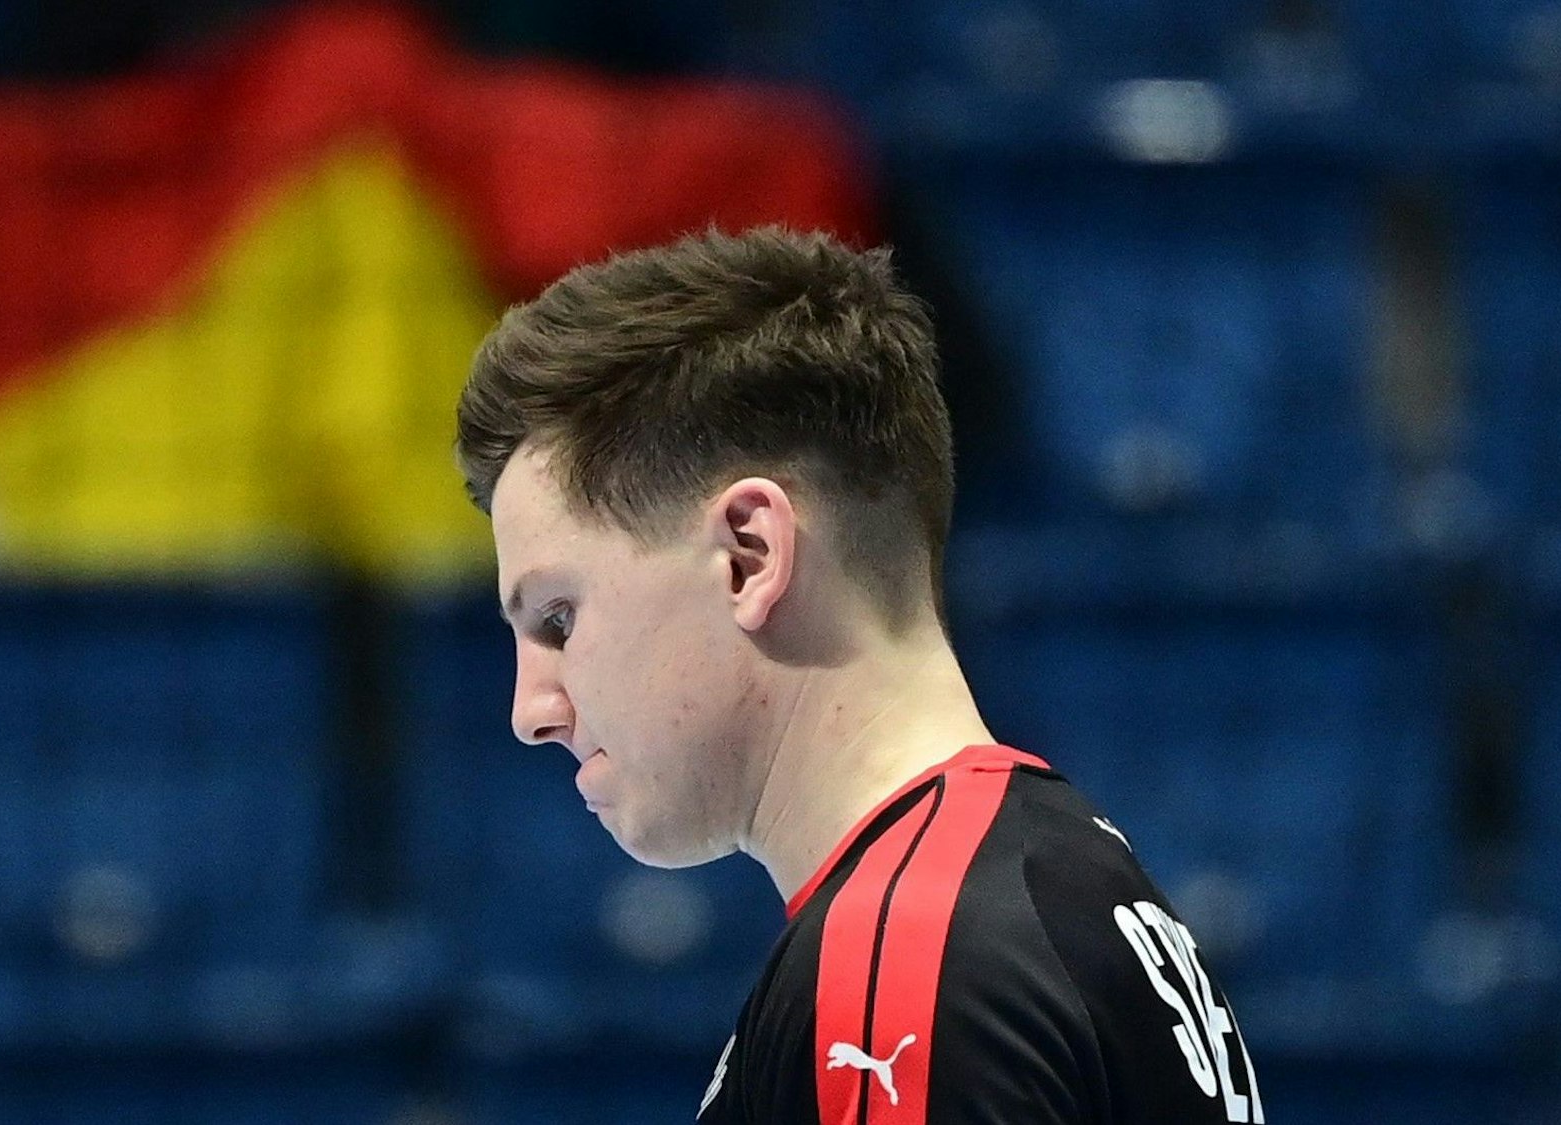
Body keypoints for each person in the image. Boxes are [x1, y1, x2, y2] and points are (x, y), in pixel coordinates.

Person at [454, 226, 1264, 1124]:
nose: (533, 710)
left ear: (748, 556)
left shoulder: (911, 958)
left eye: (558, 619)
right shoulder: (1062, 879)